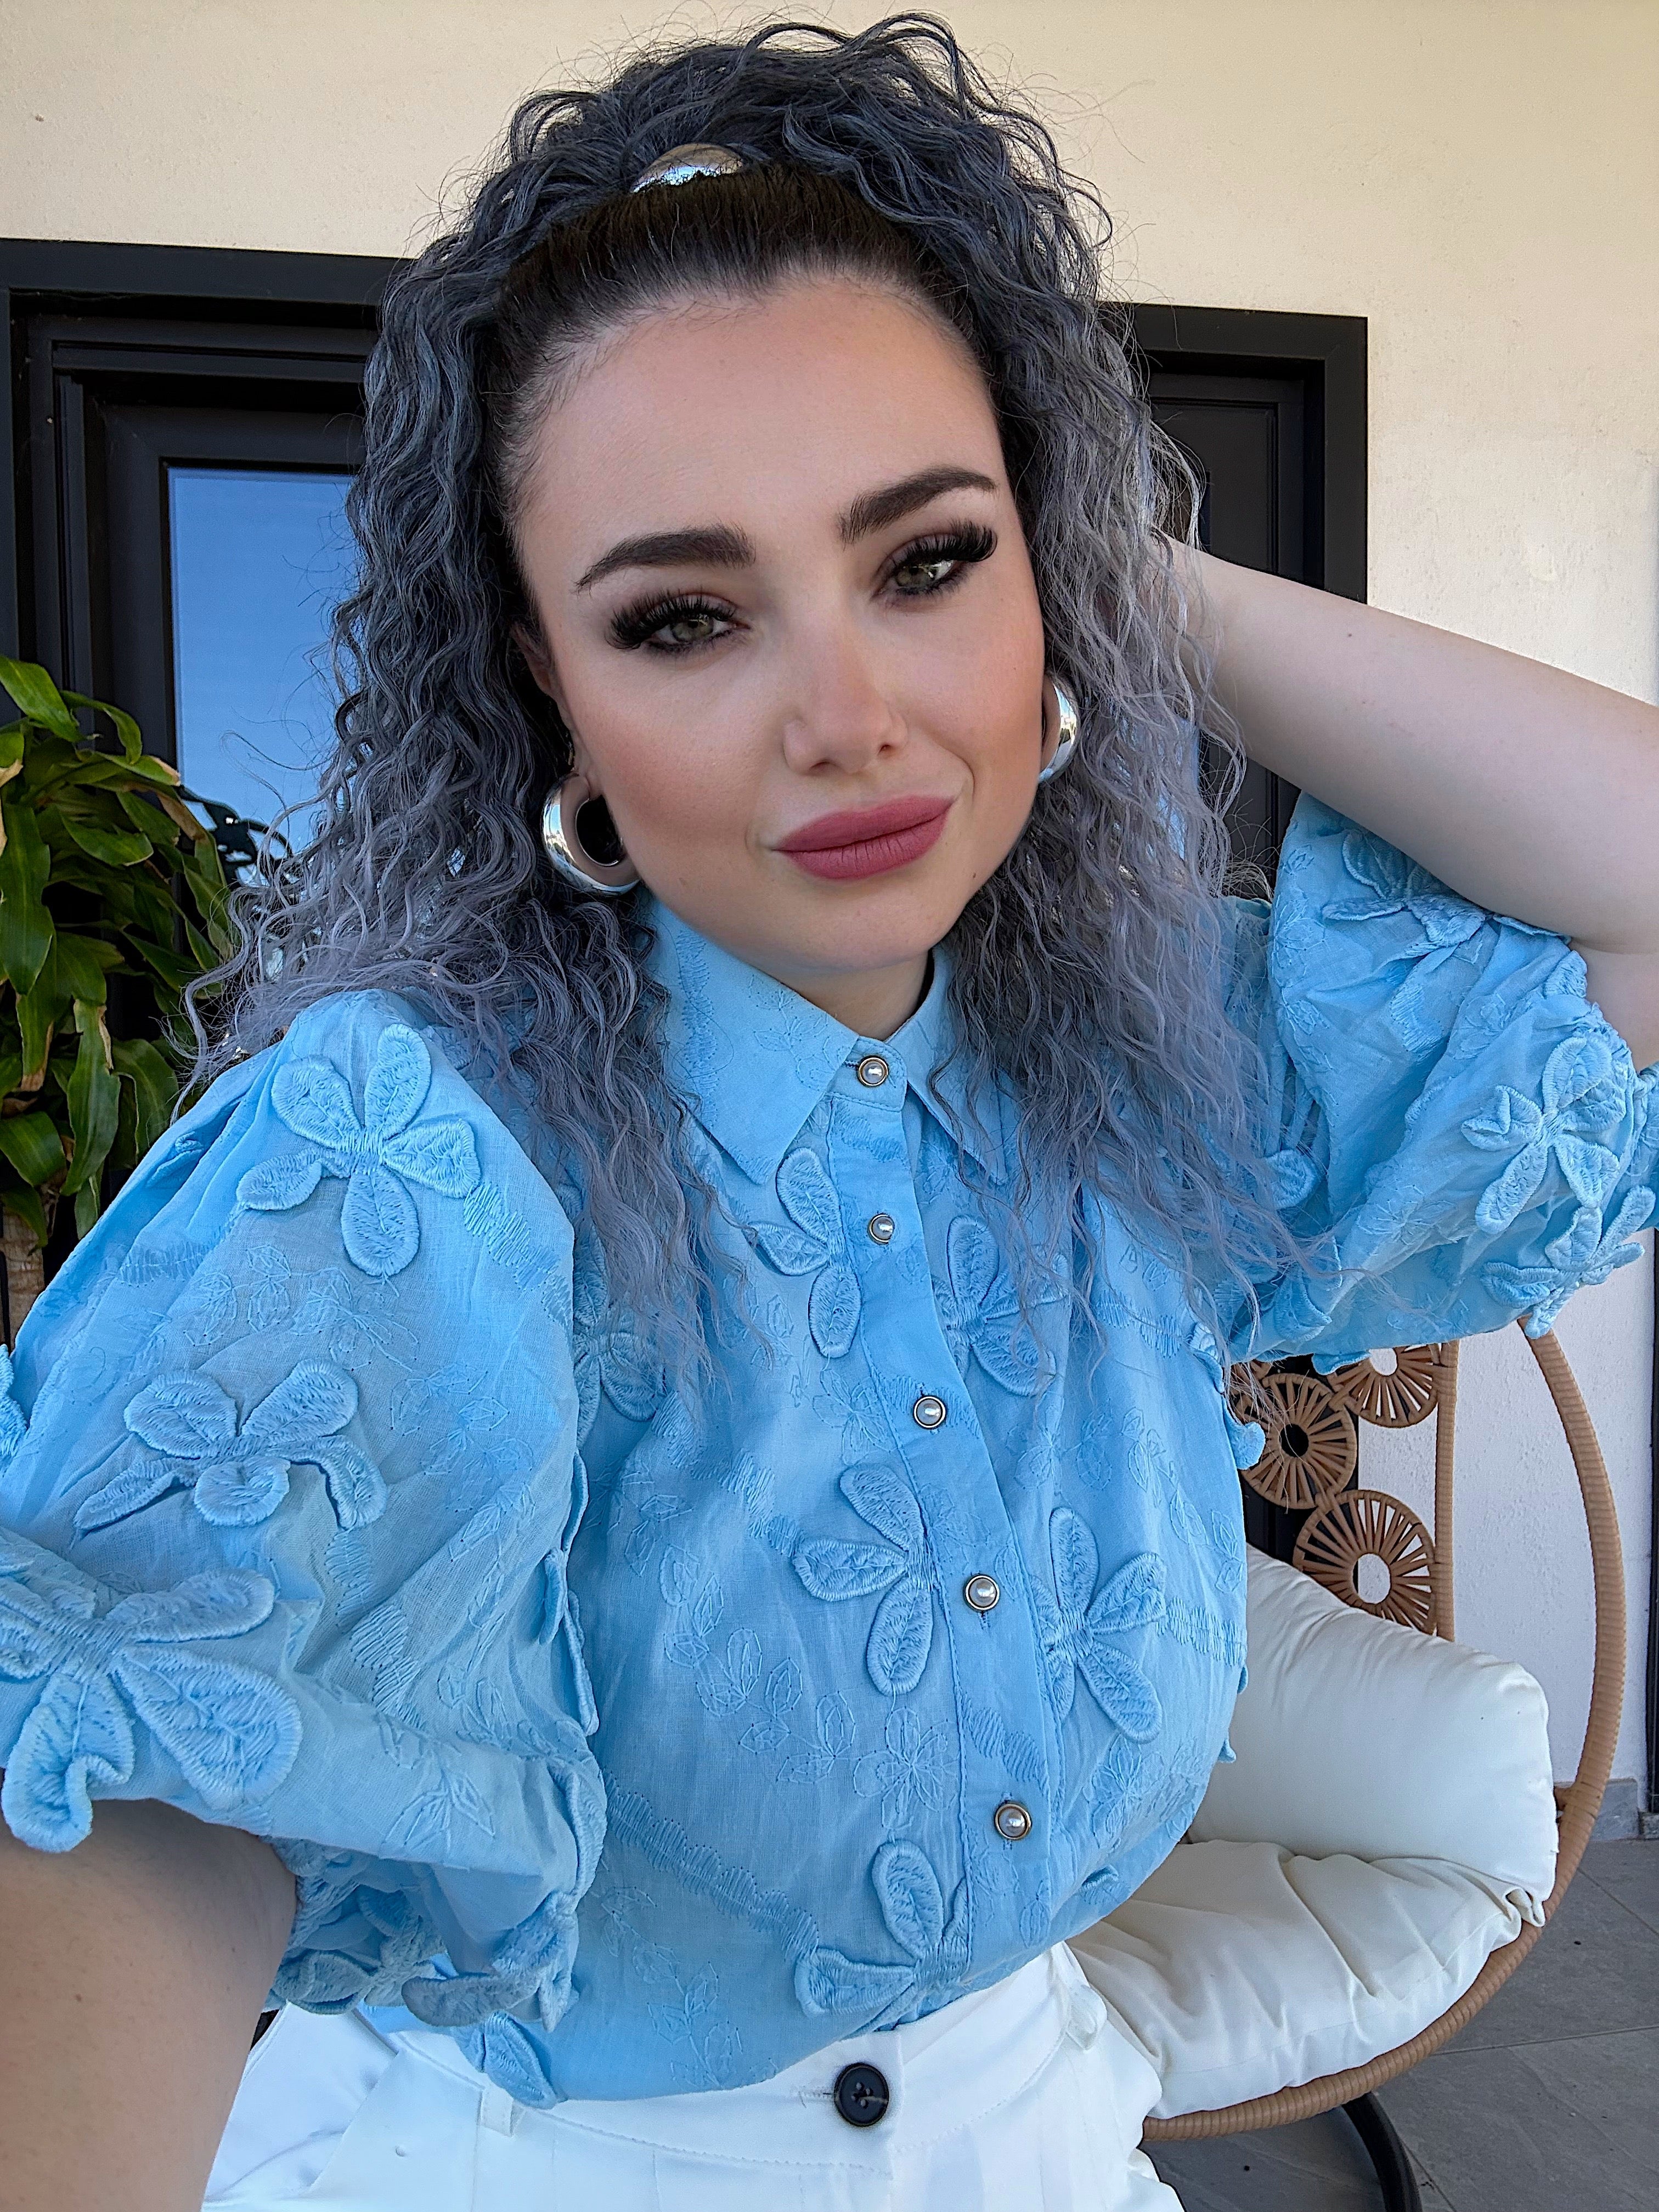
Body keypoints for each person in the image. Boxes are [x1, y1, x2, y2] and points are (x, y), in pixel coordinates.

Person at [1, 15, 1655, 2210]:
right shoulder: (405, 1151)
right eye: (687, 615)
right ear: (547, 691)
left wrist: (1111, 564)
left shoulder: (1146, 1066)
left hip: (1043, 2124)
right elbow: (132, 1782)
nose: (851, 717)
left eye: (929, 561)